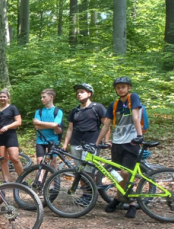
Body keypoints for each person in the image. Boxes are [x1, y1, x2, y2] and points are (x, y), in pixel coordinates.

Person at [97, 77, 144, 218]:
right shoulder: (114, 104)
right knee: (116, 173)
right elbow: (106, 125)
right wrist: (98, 141)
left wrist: (139, 136)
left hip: (131, 142)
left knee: (125, 173)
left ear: (129, 87)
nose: (121, 89)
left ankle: (131, 203)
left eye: (123, 86)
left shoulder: (133, 98)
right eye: (118, 87)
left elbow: (136, 117)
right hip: (117, 142)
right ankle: (118, 198)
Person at [62, 83, 105, 160]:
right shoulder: (74, 111)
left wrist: (105, 141)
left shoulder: (97, 107)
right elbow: (70, 129)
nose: (79, 94)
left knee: (88, 170)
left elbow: (106, 125)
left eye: (82, 92)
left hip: (92, 142)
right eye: (77, 93)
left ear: (89, 94)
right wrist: (65, 145)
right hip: (75, 143)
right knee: (78, 170)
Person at [0, 89, 23, 182]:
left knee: (15, 158)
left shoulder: (13, 108)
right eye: (1, 96)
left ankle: (22, 179)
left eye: (4, 97)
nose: (2, 98)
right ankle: (6, 180)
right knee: (3, 159)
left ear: (8, 98)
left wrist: (7, 127)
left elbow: (18, 122)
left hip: (10, 135)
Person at [33, 89, 63, 162]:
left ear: (51, 97)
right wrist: (52, 125)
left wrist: (40, 123)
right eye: (41, 97)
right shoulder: (39, 112)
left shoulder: (58, 111)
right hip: (40, 140)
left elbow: (55, 125)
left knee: (52, 162)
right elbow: (36, 126)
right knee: (39, 162)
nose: (41, 99)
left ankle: (55, 174)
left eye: (44, 97)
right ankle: (40, 174)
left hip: (53, 140)